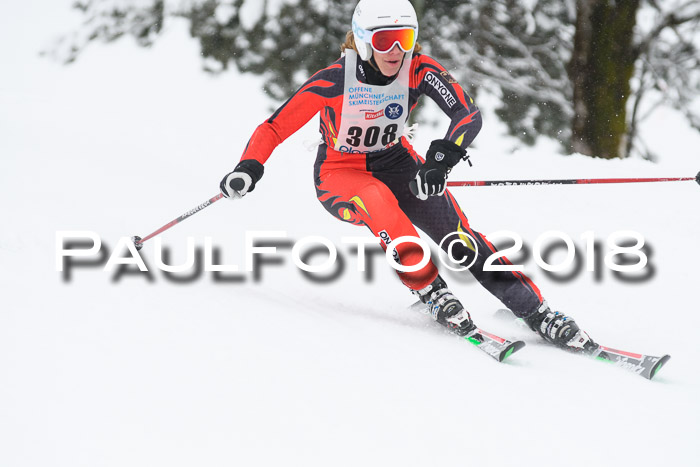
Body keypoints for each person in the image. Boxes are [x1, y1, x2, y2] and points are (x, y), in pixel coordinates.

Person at [219, 0, 596, 352]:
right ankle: (432, 291)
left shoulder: (419, 69)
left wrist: (439, 161)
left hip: (398, 163)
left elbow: (468, 115)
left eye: (406, 39)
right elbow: (274, 127)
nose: (396, 51)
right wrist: (248, 167)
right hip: (340, 174)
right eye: (385, 41)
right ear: (364, 41)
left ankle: (536, 311)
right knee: (381, 205)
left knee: (459, 239)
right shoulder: (335, 79)